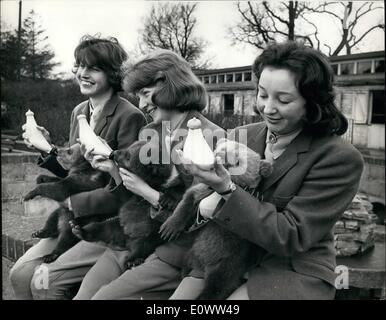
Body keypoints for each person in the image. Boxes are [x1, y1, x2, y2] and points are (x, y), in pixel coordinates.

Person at [170, 41, 364, 300]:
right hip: (231, 255)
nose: (268, 108)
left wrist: (226, 189)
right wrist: (191, 177)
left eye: (283, 100)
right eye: (262, 94)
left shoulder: (339, 157)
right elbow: (203, 203)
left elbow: (291, 235)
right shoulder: (243, 135)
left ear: (312, 102)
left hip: (291, 268)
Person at [73, 49, 225, 300]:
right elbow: (130, 195)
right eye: (138, 96)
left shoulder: (212, 137)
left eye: (145, 94)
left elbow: (200, 219)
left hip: (176, 252)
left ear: (172, 86)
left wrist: (148, 192)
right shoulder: (152, 130)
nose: (142, 105)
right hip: (137, 239)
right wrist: (112, 169)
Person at [9, 35, 147, 300]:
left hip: (108, 223)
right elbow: (76, 175)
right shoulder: (79, 111)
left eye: (93, 68)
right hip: (74, 219)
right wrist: (46, 149)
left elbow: (129, 188)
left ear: (112, 73)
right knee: (20, 274)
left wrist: (75, 204)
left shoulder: (130, 116)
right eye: (80, 65)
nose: (83, 73)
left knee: (46, 282)